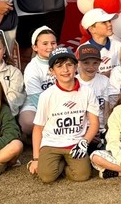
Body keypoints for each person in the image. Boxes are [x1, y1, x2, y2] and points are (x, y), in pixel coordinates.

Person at [28, 47, 100, 183]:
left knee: (82, 176)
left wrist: (84, 142)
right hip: (51, 143)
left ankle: (66, 163)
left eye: (69, 65)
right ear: (52, 71)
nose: (65, 70)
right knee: (47, 177)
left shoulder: (87, 92)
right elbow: (38, 128)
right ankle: (55, 162)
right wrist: (36, 159)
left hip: (75, 143)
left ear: (76, 66)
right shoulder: (46, 95)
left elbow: (94, 123)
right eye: (59, 66)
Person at [20, 27, 57, 138]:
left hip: (61, 103)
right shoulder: (32, 68)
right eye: (45, 44)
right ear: (35, 47)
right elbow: (37, 99)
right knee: (28, 122)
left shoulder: (63, 61)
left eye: (53, 43)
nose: (50, 47)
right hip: (35, 105)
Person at [76, 44, 114, 143]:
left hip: (101, 129)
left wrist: (106, 130)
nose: (91, 67)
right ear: (78, 63)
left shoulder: (105, 81)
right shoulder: (73, 82)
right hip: (79, 132)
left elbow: (107, 110)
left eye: (95, 63)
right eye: (86, 63)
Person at [80, 9, 121, 76]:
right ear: (92, 29)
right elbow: (83, 77)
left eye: (109, 21)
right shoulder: (83, 49)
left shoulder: (119, 46)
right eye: (104, 22)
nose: (109, 24)